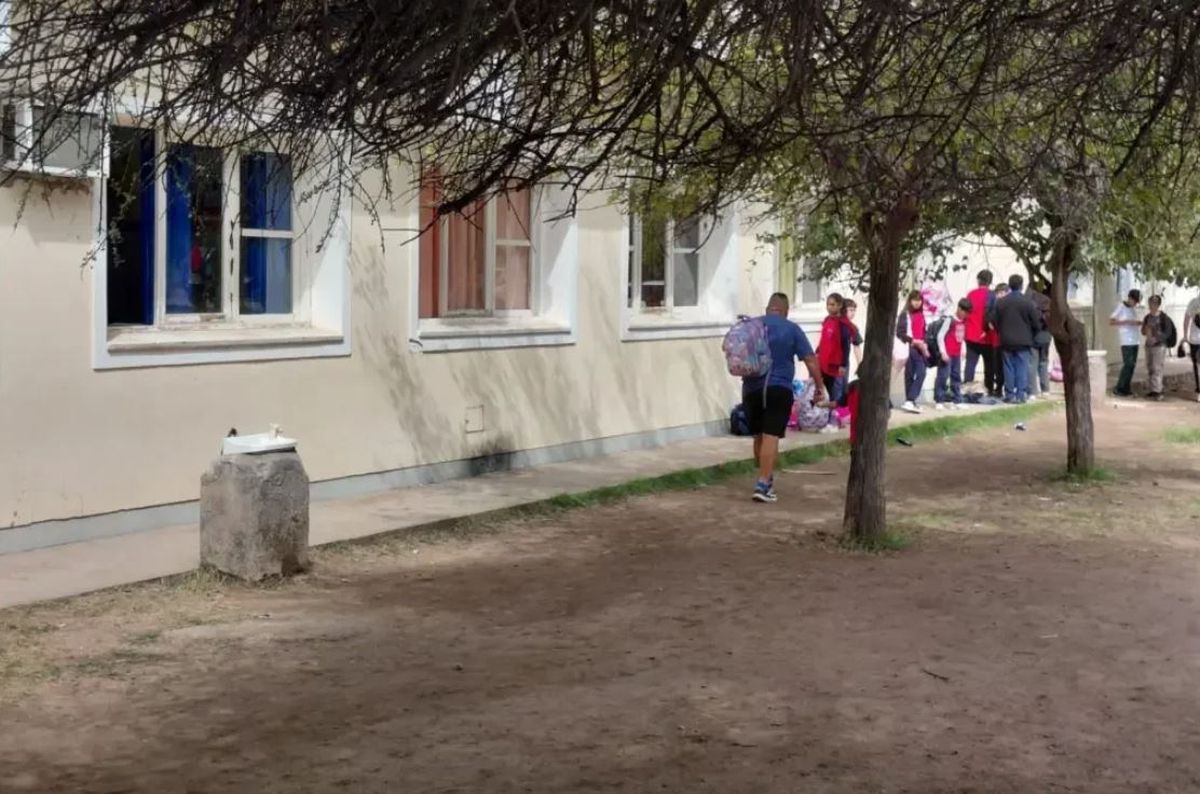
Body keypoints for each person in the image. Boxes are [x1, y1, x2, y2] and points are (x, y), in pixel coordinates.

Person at [742, 293, 823, 503]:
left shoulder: (752, 326)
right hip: (778, 387)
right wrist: (819, 386)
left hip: (751, 388)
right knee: (771, 435)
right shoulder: (791, 329)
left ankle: (765, 479)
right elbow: (811, 360)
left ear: (768, 308)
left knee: (759, 435)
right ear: (786, 311)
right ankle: (762, 483)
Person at [991, 274, 1040, 404]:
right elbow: (1036, 323)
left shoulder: (1000, 303)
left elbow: (994, 321)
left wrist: (1001, 331)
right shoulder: (1028, 302)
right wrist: (1031, 334)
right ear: (1021, 285)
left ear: (1009, 286)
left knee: (1008, 367)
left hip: (1006, 340)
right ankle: (1021, 394)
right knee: (1022, 367)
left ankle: (1009, 394)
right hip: (1024, 340)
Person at [963, 270, 1000, 397]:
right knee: (988, 365)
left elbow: (965, 314)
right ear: (990, 282)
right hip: (987, 336)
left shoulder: (971, 294)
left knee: (970, 364)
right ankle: (989, 389)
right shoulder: (993, 296)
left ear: (978, 280)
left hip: (971, 334)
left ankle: (967, 388)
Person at [933, 299, 972, 410]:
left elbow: (961, 338)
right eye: (965, 312)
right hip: (947, 353)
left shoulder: (963, 322)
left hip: (956, 354)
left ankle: (957, 399)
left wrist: (963, 349)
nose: (966, 315)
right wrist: (943, 352)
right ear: (959, 309)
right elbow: (940, 336)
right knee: (943, 376)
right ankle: (939, 399)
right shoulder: (949, 320)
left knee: (956, 376)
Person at [896, 289, 929, 414]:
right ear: (910, 301)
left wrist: (924, 343)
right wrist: (912, 341)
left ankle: (910, 400)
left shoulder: (921, 315)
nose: (917, 303)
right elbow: (900, 332)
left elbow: (924, 331)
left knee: (921, 372)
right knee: (909, 374)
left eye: (919, 300)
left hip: (920, 348)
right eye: (914, 300)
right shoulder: (905, 314)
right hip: (909, 346)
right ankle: (909, 400)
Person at [816, 293, 852, 406]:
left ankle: (836, 416)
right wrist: (817, 352)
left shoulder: (842, 323)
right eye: (828, 305)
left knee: (836, 391)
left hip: (836, 365)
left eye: (832, 304)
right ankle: (824, 415)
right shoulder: (827, 320)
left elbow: (846, 345)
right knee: (825, 389)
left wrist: (843, 364)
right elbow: (824, 340)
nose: (830, 307)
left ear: (840, 305)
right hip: (824, 362)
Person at [1110, 289, 1142, 397]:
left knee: (1132, 365)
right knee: (1127, 364)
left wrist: (1137, 323)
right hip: (1126, 340)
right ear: (1130, 298)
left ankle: (1126, 388)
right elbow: (1112, 321)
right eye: (1134, 301)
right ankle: (1119, 388)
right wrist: (1127, 322)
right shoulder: (1121, 307)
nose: (1135, 304)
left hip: (1135, 340)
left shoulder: (1133, 310)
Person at [1141, 295, 1170, 401]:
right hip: (1148, 346)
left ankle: (1158, 391)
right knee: (1150, 367)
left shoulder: (1163, 317)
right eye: (1150, 303)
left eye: (1154, 303)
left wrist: (1157, 338)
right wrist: (1145, 329)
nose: (1152, 305)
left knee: (1157, 368)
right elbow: (1143, 331)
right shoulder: (1147, 317)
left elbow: (1167, 333)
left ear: (1158, 305)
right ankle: (1153, 390)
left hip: (1159, 346)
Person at [1028, 285, 1052, 399]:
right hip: (1046, 337)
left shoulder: (1032, 304)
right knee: (1043, 362)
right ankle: (1045, 389)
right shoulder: (1049, 305)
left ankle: (1033, 391)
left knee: (1032, 363)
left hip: (1033, 337)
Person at [1184, 291, 1200, 402]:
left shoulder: (1193, 303)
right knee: (1197, 366)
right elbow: (1186, 320)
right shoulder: (1193, 303)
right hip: (1195, 340)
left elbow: (1186, 321)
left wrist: (1185, 336)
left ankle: (1199, 391)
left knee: (1197, 366)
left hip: (1194, 340)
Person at [843, 298, 864, 373]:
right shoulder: (834, 324)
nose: (853, 313)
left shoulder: (853, 327)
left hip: (844, 363)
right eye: (851, 310)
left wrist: (860, 366)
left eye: (854, 310)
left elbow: (857, 346)